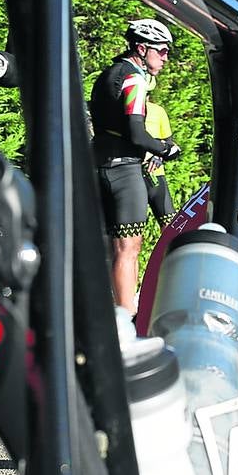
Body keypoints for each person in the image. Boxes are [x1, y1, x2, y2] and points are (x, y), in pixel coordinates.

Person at [89, 19, 180, 311]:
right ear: (142, 48)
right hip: (125, 170)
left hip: (97, 164)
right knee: (128, 249)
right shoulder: (134, 78)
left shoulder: (107, 75)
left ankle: (99, 311)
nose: (166, 57)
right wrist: (165, 148)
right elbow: (137, 133)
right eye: (162, 51)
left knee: (104, 247)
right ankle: (127, 319)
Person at [142, 78, 178, 228]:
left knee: (169, 224)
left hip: (154, 174)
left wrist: (159, 156)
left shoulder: (157, 111)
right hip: (129, 174)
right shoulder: (121, 111)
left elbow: (170, 143)